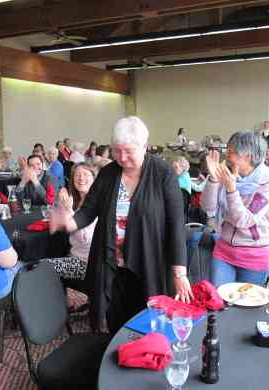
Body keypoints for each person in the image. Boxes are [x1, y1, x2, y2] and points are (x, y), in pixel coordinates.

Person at [49, 116, 191, 333]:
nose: (122, 158)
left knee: (151, 324)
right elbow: (88, 211)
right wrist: (69, 222)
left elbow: (176, 225)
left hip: (149, 264)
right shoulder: (108, 173)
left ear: (144, 146)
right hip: (112, 266)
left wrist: (179, 273)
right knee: (116, 323)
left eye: (128, 151)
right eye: (116, 150)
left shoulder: (163, 173)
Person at [201, 131, 269, 287]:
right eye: (227, 151)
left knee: (246, 305)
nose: (227, 156)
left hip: (254, 253)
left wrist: (231, 190)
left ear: (247, 156)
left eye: (231, 152)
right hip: (224, 247)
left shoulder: (267, 185)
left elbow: (244, 220)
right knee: (218, 300)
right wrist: (214, 178)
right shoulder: (228, 174)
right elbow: (208, 207)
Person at [45, 163, 97, 287]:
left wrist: (68, 211)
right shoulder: (76, 201)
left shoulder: (96, 204)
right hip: (73, 255)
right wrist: (61, 206)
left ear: (94, 179)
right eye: (77, 175)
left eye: (85, 174)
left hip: (85, 264)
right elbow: (54, 227)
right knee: (43, 257)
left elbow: (85, 238)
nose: (81, 178)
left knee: (40, 268)